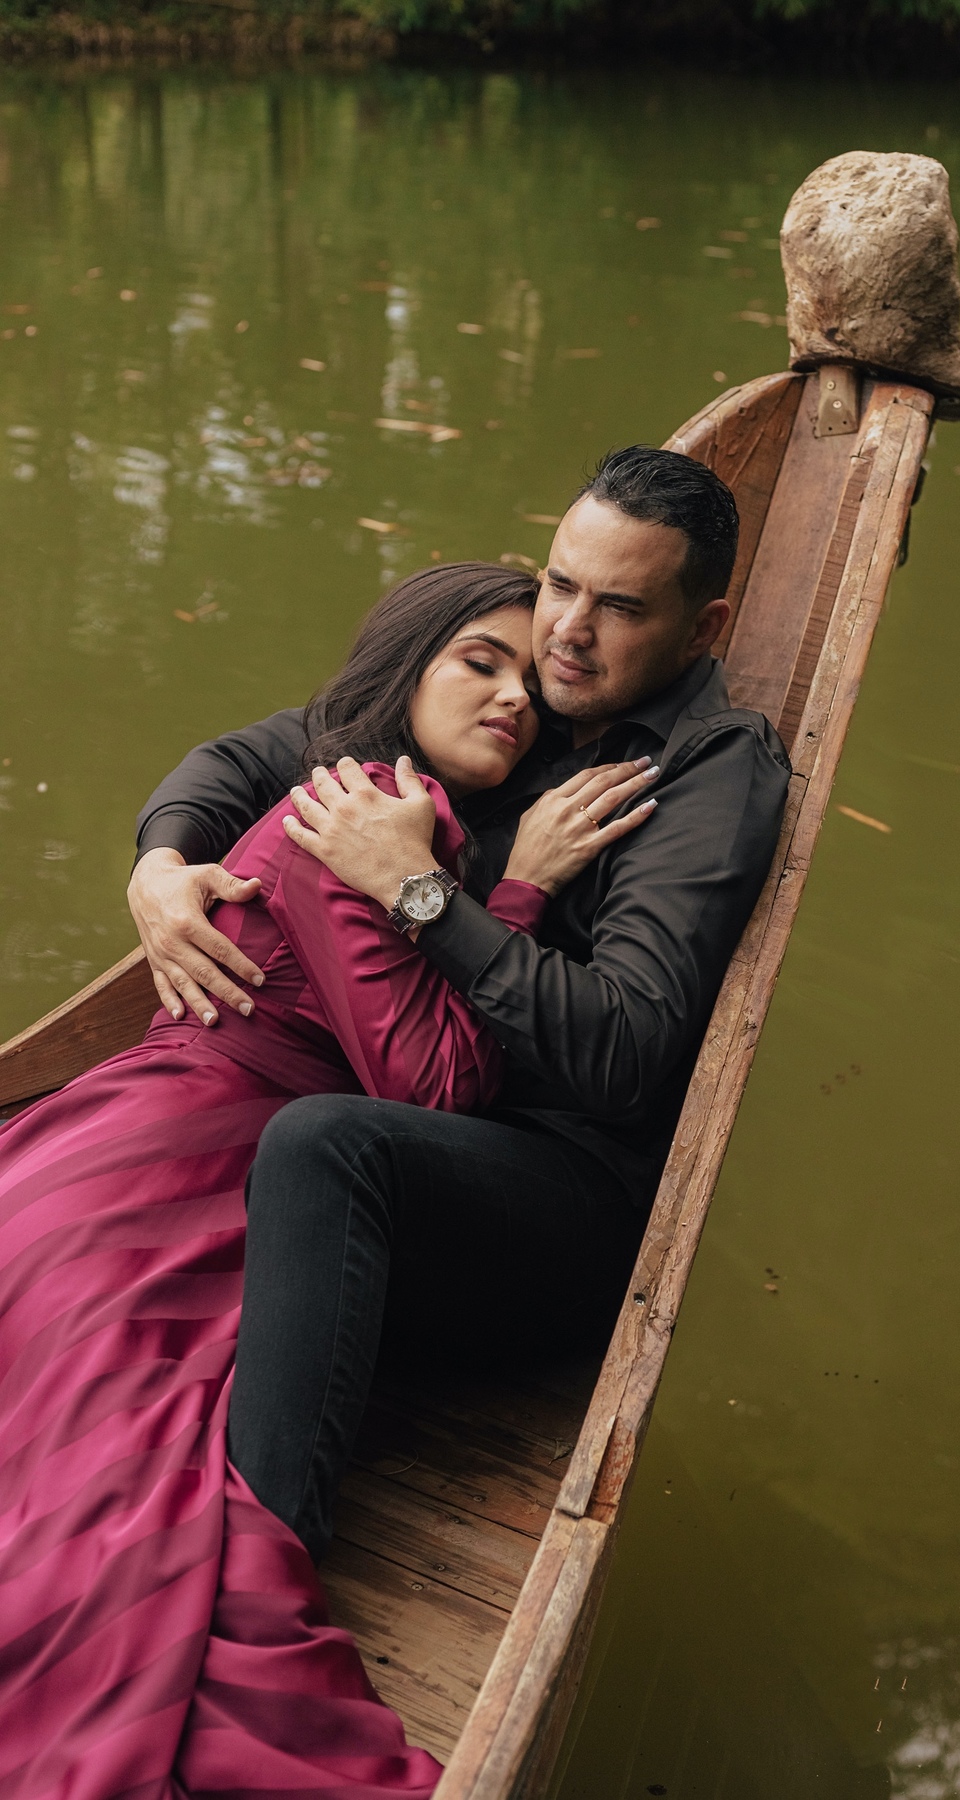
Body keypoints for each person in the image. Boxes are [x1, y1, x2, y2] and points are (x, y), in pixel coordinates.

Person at [0, 562, 652, 1799]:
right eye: (480, 661)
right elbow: (434, 1086)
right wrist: (519, 893)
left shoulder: (385, 803)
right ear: (407, 669)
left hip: (115, 1137)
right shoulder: (362, 812)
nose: (515, 697)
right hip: (178, 1162)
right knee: (118, 1497)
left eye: (531, 682)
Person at [129, 447, 793, 1571]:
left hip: (552, 1199)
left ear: (704, 627)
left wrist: (419, 893)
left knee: (322, 1143)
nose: (568, 631)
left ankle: (258, 1559)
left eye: (621, 607)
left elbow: (623, 1050)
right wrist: (159, 865)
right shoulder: (520, 696)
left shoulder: (707, 773)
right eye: (562, 583)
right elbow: (264, 754)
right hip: (408, 1097)